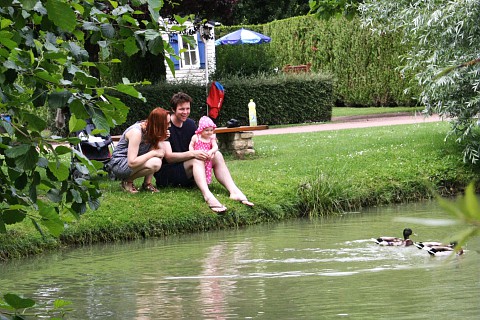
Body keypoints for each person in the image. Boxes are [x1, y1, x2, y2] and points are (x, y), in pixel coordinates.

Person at [155, 92, 254, 213]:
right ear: (173, 109)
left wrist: (210, 151)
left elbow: (203, 141)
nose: (185, 112)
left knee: (217, 155)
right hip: (168, 173)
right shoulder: (166, 125)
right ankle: (208, 195)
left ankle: (234, 191)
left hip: (187, 168)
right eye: (181, 109)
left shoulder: (190, 124)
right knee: (196, 158)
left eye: (188, 108)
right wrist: (193, 154)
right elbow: (169, 157)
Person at [109, 107, 169, 194]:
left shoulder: (151, 129)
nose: (169, 126)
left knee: (157, 156)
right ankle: (127, 181)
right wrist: (153, 153)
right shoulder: (136, 132)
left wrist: (160, 138)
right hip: (119, 164)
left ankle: (147, 184)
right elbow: (132, 162)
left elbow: (153, 150)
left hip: (132, 163)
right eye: (167, 124)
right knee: (155, 162)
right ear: (159, 124)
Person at [189, 116, 219, 185]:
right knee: (198, 171)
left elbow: (215, 147)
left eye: (211, 130)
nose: (209, 132)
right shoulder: (196, 137)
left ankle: (206, 184)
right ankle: (197, 183)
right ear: (201, 130)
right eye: (207, 130)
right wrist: (193, 153)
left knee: (207, 171)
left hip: (207, 159)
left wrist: (211, 151)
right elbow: (191, 145)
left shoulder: (211, 138)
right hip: (198, 158)